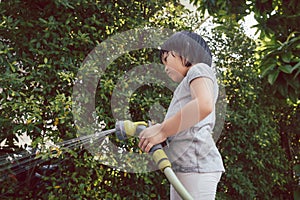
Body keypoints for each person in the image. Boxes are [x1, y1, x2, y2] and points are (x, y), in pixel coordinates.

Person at [138, 31, 225, 200]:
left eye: (166, 59)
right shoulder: (186, 85)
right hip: (185, 168)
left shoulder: (199, 69)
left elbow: (204, 104)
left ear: (184, 50)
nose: (165, 67)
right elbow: (186, 126)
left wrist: (162, 131)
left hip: (197, 166)